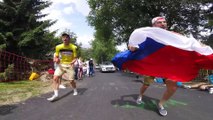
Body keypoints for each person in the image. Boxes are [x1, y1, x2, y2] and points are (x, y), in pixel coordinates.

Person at [129, 17, 178, 116]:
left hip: (166, 66)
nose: (163, 24)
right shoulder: (147, 36)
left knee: (172, 88)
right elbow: (135, 46)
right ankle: (140, 95)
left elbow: (187, 42)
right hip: (151, 66)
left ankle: (160, 104)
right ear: (154, 25)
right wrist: (132, 47)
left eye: (164, 22)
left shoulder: (173, 35)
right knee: (146, 85)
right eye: (159, 22)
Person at [47, 33, 78, 101]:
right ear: (62, 39)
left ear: (69, 39)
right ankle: (56, 94)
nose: (65, 39)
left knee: (71, 80)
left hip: (70, 65)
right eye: (63, 37)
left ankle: (75, 90)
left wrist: (73, 62)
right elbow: (56, 57)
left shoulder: (73, 47)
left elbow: (75, 58)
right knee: (55, 78)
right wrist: (56, 60)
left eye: (66, 37)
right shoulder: (58, 47)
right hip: (61, 65)